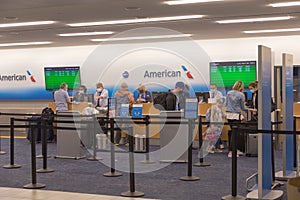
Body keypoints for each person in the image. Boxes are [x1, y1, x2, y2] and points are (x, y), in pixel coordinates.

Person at [225, 80, 255, 158]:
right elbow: (243, 107)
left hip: (228, 115)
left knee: (232, 132)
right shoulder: (241, 95)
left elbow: (226, 104)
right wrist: (251, 109)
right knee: (235, 134)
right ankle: (232, 151)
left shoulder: (228, 93)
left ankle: (233, 150)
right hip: (236, 115)